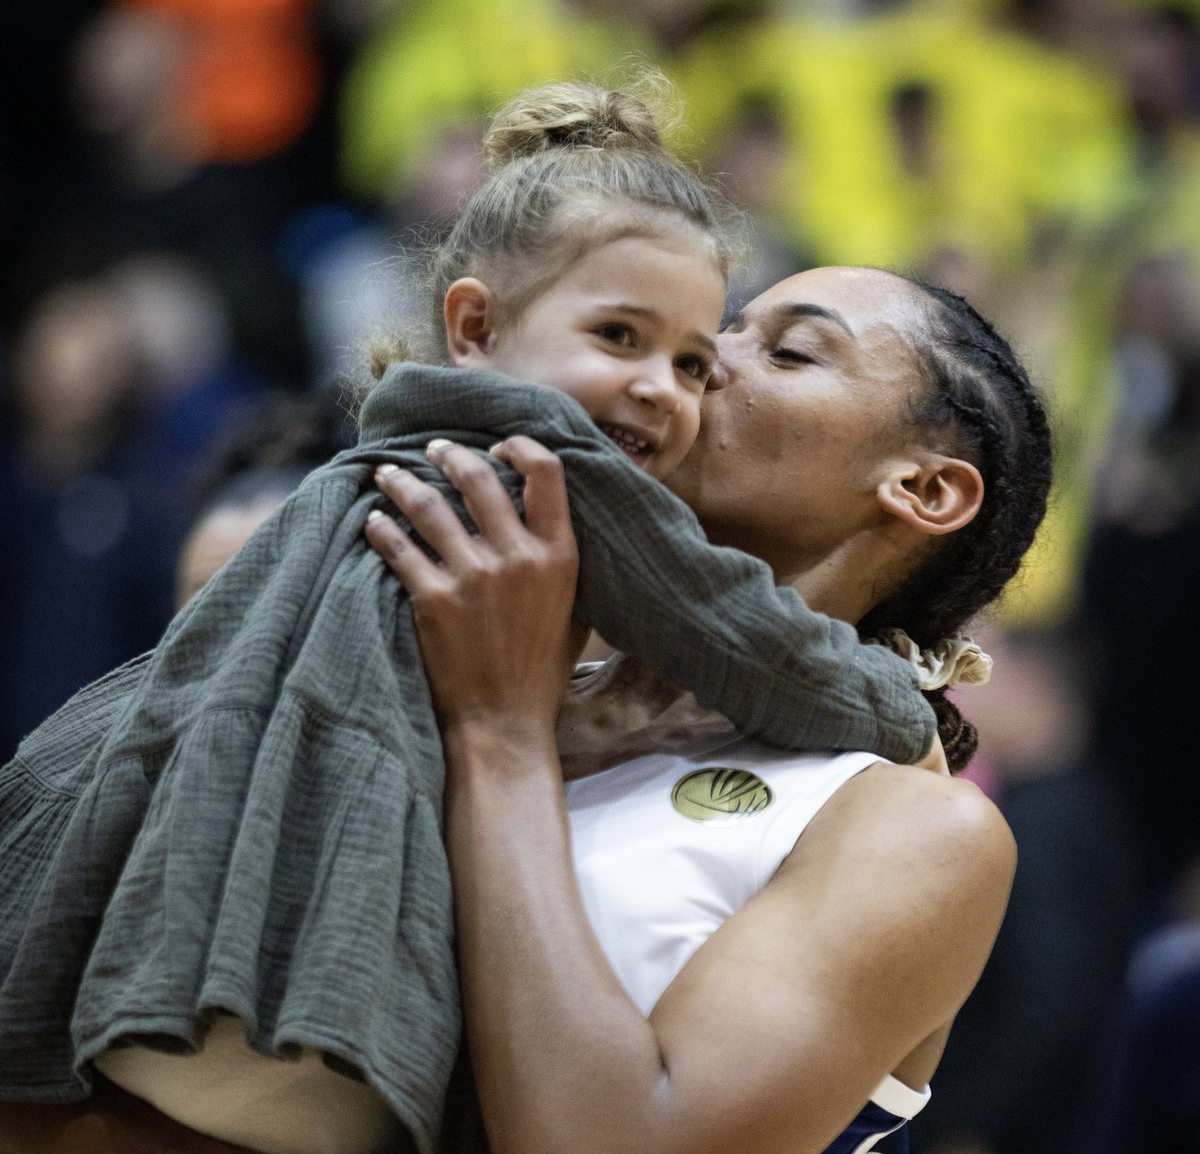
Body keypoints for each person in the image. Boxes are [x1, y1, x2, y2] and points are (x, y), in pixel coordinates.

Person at [0, 85, 943, 1154]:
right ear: (477, 326)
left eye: (689, 362)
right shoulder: (551, 463)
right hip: (287, 978)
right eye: (619, 335)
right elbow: (734, 630)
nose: (669, 390)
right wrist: (898, 701)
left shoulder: (374, 454)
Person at [363, 264, 1053, 1153]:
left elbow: (619, 1142)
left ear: (924, 490)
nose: (699, 356)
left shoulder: (913, 825)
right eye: (723, 327)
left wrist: (500, 740)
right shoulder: (508, 668)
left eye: (791, 351)